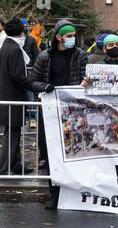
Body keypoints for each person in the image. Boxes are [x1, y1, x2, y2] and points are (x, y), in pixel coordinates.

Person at [31, 20, 88, 210]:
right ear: (59, 37)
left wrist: (84, 85)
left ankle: (74, 193)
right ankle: (54, 194)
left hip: (73, 110)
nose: (72, 38)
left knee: (75, 150)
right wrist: (45, 87)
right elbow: (33, 81)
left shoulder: (80, 55)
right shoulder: (45, 57)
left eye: (73, 35)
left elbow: (84, 77)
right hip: (49, 111)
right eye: (68, 35)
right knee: (51, 153)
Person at [0, 18, 53, 176]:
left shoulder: (6, 46)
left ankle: (16, 165)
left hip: (8, 95)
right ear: (21, 32)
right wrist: (38, 86)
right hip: (13, 96)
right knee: (13, 134)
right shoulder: (15, 49)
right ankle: (4, 168)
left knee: (13, 132)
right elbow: (19, 76)